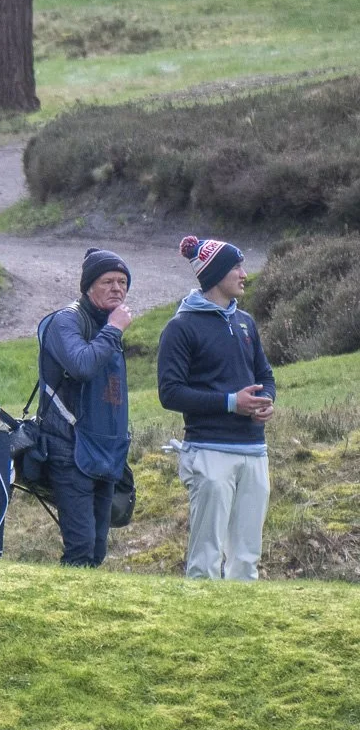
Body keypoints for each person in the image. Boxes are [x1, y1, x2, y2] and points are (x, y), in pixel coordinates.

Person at [158, 235, 275, 581]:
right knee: (205, 557)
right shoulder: (180, 328)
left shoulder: (246, 322)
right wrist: (231, 403)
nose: (244, 274)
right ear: (216, 274)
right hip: (208, 452)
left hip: (254, 450)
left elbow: (265, 376)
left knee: (247, 557)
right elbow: (170, 393)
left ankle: (240, 615)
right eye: (236, 267)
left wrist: (266, 402)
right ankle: (199, 614)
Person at [34, 249, 135, 568]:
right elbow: (81, 365)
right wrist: (114, 329)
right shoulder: (66, 321)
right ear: (88, 286)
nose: (117, 288)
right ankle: (63, 600)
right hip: (69, 448)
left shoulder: (107, 324)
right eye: (107, 281)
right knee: (80, 548)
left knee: (97, 550)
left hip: (106, 451)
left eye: (122, 282)